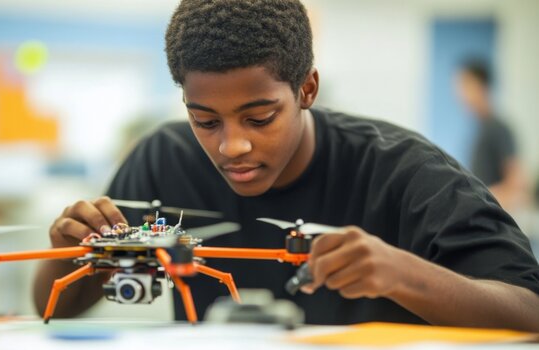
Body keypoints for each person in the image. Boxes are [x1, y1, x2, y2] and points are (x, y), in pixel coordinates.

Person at [34, 0, 539, 331]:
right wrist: (66, 255)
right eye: (205, 120)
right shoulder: (163, 162)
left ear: (307, 89)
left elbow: (529, 310)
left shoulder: (405, 173)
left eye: (259, 117)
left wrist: (403, 275)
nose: (232, 146)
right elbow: (55, 306)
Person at [456, 59, 530, 212]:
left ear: (481, 86)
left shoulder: (499, 129)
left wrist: (481, 201)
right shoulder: (479, 130)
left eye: (465, 85)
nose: (460, 94)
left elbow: (518, 184)